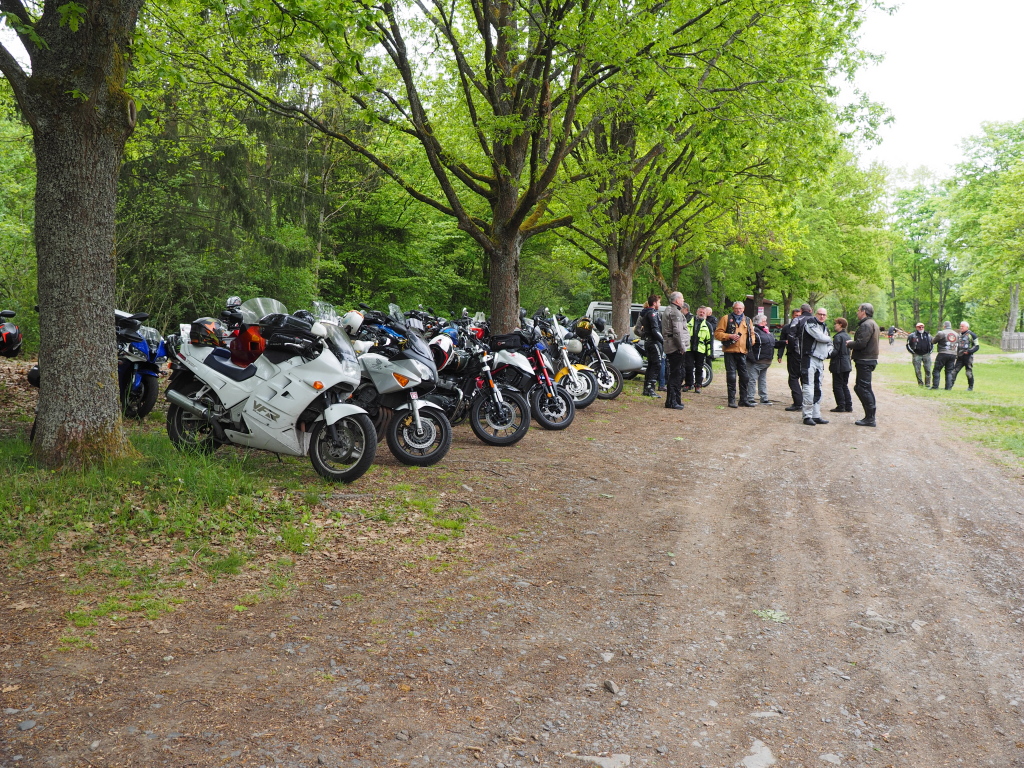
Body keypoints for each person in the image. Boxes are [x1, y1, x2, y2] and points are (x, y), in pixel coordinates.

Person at [714, 300, 754, 408]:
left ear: (743, 309)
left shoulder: (748, 320)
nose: (738, 310)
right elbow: (717, 334)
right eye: (736, 308)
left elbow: (752, 334)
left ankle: (743, 400)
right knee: (731, 376)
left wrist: (751, 342)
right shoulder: (726, 318)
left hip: (743, 352)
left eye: (740, 308)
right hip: (730, 351)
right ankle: (731, 400)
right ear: (733, 309)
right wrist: (729, 336)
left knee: (745, 377)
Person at [847, 302, 880, 427]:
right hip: (867, 359)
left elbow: (861, 343)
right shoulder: (872, 323)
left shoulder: (866, 325)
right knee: (862, 388)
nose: (857, 312)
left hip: (865, 360)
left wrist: (850, 343)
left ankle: (870, 418)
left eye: (858, 310)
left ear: (864, 312)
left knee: (863, 388)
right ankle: (869, 417)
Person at [799, 307, 832, 426]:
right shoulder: (810, 322)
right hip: (809, 359)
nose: (822, 316)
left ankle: (816, 415)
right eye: (820, 314)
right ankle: (807, 416)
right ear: (815, 314)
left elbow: (830, 344)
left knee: (818, 388)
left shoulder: (825, 327)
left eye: (824, 314)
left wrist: (827, 352)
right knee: (808, 388)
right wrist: (828, 339)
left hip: (820, 360)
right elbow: (820, 337)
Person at [777, 306, 809, 412]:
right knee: (793, 378)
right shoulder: (787, 327)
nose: (798, 317)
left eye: (799, 315)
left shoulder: (806, 325)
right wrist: (780, 355)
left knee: (802, 379)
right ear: (792, 316)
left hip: (803, 355)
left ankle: (802, 402)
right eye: (796, 316)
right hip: (792, 355)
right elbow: (782, 341)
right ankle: (798, 401)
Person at [661, 292, 689, 410]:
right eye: (682, 299)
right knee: (676, 374)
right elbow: (677, 332)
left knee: (677, 373)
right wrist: (681, 347)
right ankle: (672, 401)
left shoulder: (669, 310)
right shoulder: (675, 312)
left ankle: (675, 400)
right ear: (677, 300)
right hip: (675, 347)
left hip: (671, 345)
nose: (683, 301)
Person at [637, 294, 663, 397]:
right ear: (654, 303)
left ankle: (647, 388)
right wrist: (663, 341)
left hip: (648, 341)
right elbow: (655, 329)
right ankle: (650, 389)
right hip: (653, 342)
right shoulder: (652, 313)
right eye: (659, 302)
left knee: (651, 364)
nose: (660, 304)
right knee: (657, 364)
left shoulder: (645, 313)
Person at [746, 313, 776, 405]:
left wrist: (784, 342)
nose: (766, 323)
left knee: (762, 380)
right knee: (752, 379)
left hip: (766, 361)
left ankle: (764, 398)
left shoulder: (766, 332)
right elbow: (748, 346)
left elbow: (773, 343)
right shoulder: (754, 332)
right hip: (756, 361)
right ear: (758, 322)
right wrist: (752, 359)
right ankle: (750, 397)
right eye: (764, 321)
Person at [684, 306, 714, 393]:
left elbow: (710, 341)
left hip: (700, 349)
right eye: (700, 312)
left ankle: (698, 385)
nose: (701, 314)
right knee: (688, 367)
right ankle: (688, 384)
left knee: (699, 368)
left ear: (706, 314)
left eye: (703, 312)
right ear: (697, 312)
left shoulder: (708, 325)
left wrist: (710, 353)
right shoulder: (689, 321)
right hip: (689, 348)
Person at [829, 317, 853, 412]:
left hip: (838, 364)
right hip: (847, 363)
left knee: (837, 385)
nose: (835, 325)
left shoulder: (838, 337)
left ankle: (841, 405)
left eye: (836, 324)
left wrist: (827, 355)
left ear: (840, 325)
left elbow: (835, 351)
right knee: (844, 385)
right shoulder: (848, 336)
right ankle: (848, 405)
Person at [930, 321, 960, 390]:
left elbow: (933, 341)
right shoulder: (956, 334)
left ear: (944, 326)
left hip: (943, 353)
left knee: (937, 370)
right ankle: (948, 387)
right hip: (953, 354)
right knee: (949, 371)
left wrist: (932, 338)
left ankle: (935, 386)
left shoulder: (941, 333)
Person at [952, 321, 979, 391]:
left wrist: (969, 351)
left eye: (962, 326)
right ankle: (949, 386)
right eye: (960, 326)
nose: (961, 327)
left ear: (967, 327)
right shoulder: (959, 335)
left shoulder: (972, 335)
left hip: (968, 357)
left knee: (968, 372)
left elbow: (977, 346)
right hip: (960, 357)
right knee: (954, 371)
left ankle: (970, 387)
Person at [905, 322, 933, 387]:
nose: (921, 328)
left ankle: (928, 384)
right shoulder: (912, 335)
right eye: (919, 327)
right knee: (917, 370)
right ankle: (920, 383)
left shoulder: (928, 335)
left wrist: (930, 351)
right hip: (916, 354)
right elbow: (908, 345)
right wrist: (912, 352)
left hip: (926, 354)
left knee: (928, 369)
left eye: (922, 327)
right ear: (916, 327)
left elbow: (932, 344)